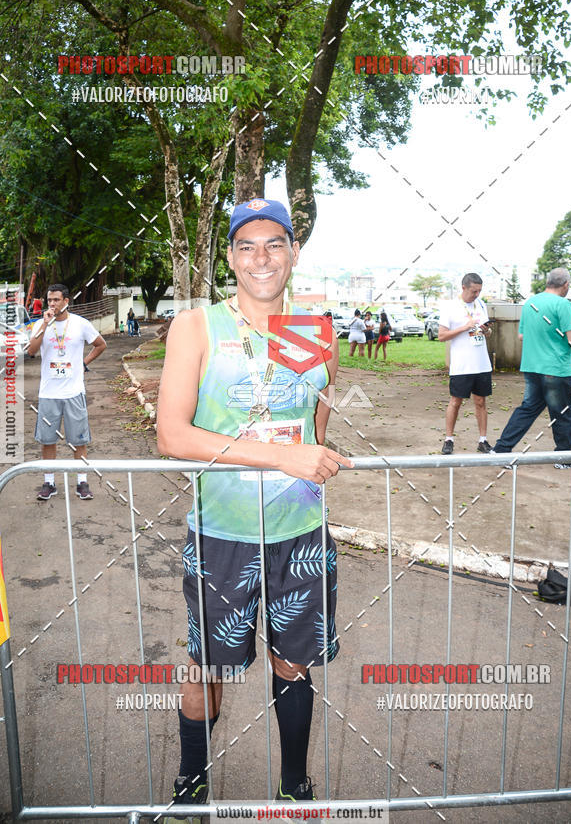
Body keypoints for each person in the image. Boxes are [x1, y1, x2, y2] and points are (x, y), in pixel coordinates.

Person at [156, 198, 352, 811]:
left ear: (293, 252)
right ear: (231, 258)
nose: (261, 258)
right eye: (247, 246)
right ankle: (191, 784)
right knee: (209, 668)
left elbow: (313, 426)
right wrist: (282, 458)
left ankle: (294, 784)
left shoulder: (317, 332)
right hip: (224, 532)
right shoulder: (196, 326)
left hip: (301, 530)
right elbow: (171, 435)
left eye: (275, 244)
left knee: (294, 663)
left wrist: (318, 454)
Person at [27, 283, 107, 500]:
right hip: (48, 394)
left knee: (78, 440)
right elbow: (32, 352)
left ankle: (82, 482)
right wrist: (44, 325)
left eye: (56, 300)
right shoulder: (40, 325)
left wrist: (84, 363)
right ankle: (49, 483)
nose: (52, 304)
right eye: (49, 300)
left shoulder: (80, 324)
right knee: (47, 440)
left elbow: (100, 344)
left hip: (74, 393)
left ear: (66, 301)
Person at [493, 267, 571, 468]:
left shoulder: (530, 303)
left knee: (527, 409)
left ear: (548, 282)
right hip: (556, 369)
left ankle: (500, 450)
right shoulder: (563, 304)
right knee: (563, 413)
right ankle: (565, 459)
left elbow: (522, 336)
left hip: (532, 367)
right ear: (565, 285)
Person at [438, 273, 493, 454]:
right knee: (456, 401)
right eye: (473, 291)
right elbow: (441, 336)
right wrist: (464, 327)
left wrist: (486, 331)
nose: (476, 294)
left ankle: (483, 440)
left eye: (479, 291)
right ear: (463, 288)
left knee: (481, 401)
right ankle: (448, 439)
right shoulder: (450, 307)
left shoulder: (481, 304)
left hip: (482, 363)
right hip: (462, 365)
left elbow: (488, 332)